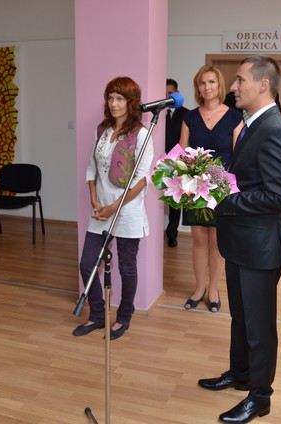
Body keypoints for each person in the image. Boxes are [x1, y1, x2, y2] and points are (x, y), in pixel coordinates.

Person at [198, 55, 281, 423]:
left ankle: (260, 397)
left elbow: (278, 197)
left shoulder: (276, 128)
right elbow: (247, 178)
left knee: (259, 328)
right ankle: (240, 375)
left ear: (263, 85)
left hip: (260, 248)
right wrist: (210, 178)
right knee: (240, 319)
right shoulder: (252, 124)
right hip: (240, 243)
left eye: (240, 80)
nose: (234, 87)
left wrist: (222, 199)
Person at [73, 77, 153, 341]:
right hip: (101, 211)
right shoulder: (102, 130)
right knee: (87, 264)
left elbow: (142, 180)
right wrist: (94, 199)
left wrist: (113, 208)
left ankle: (124, 317)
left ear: (131, 102)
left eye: (120, 98)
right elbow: (91, 167)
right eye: (110, 97)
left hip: (127, 212)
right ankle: (97, 314)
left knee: (127, 268)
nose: (114, 103)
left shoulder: (141, 134)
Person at [179, 65, 244, 313]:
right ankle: (199, 288)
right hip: (195, 186)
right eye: (202, 83)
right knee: (198, 239)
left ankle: (214, 290)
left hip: (222, 188)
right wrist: (191, 178)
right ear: (197, 87)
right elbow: (182, 154)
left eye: (211, 82)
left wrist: (220, 180)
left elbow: (239, 156)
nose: (207, 87)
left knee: (217, 241)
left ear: (220, 86)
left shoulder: (235, 117)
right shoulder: (190, 117)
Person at [164, 78, 189, 248]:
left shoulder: (187, 114)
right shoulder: (155, 114)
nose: (167, 96)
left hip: (178, 163)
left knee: (175, 201)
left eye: (170, 93)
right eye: (164, 93)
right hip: (156, 162)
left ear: (177, 93)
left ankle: (172, 233)